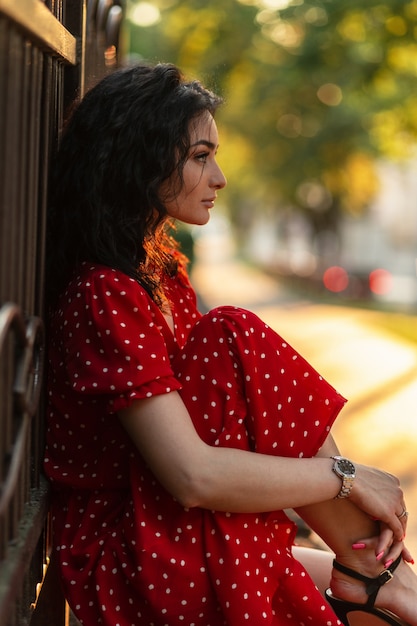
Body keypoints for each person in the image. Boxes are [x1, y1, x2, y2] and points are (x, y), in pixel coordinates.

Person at [44, 61, 417, 626]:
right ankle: (378, 578)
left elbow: (227, 426)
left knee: (230, 335)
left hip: (160, 527)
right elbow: (194, 477)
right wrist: (347, 478)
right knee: (233, 330)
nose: (219, 177)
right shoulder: (104, 292)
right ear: (137, 160)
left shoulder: (159, 272)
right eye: (200, 157)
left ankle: (376, 576)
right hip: (122, 558)